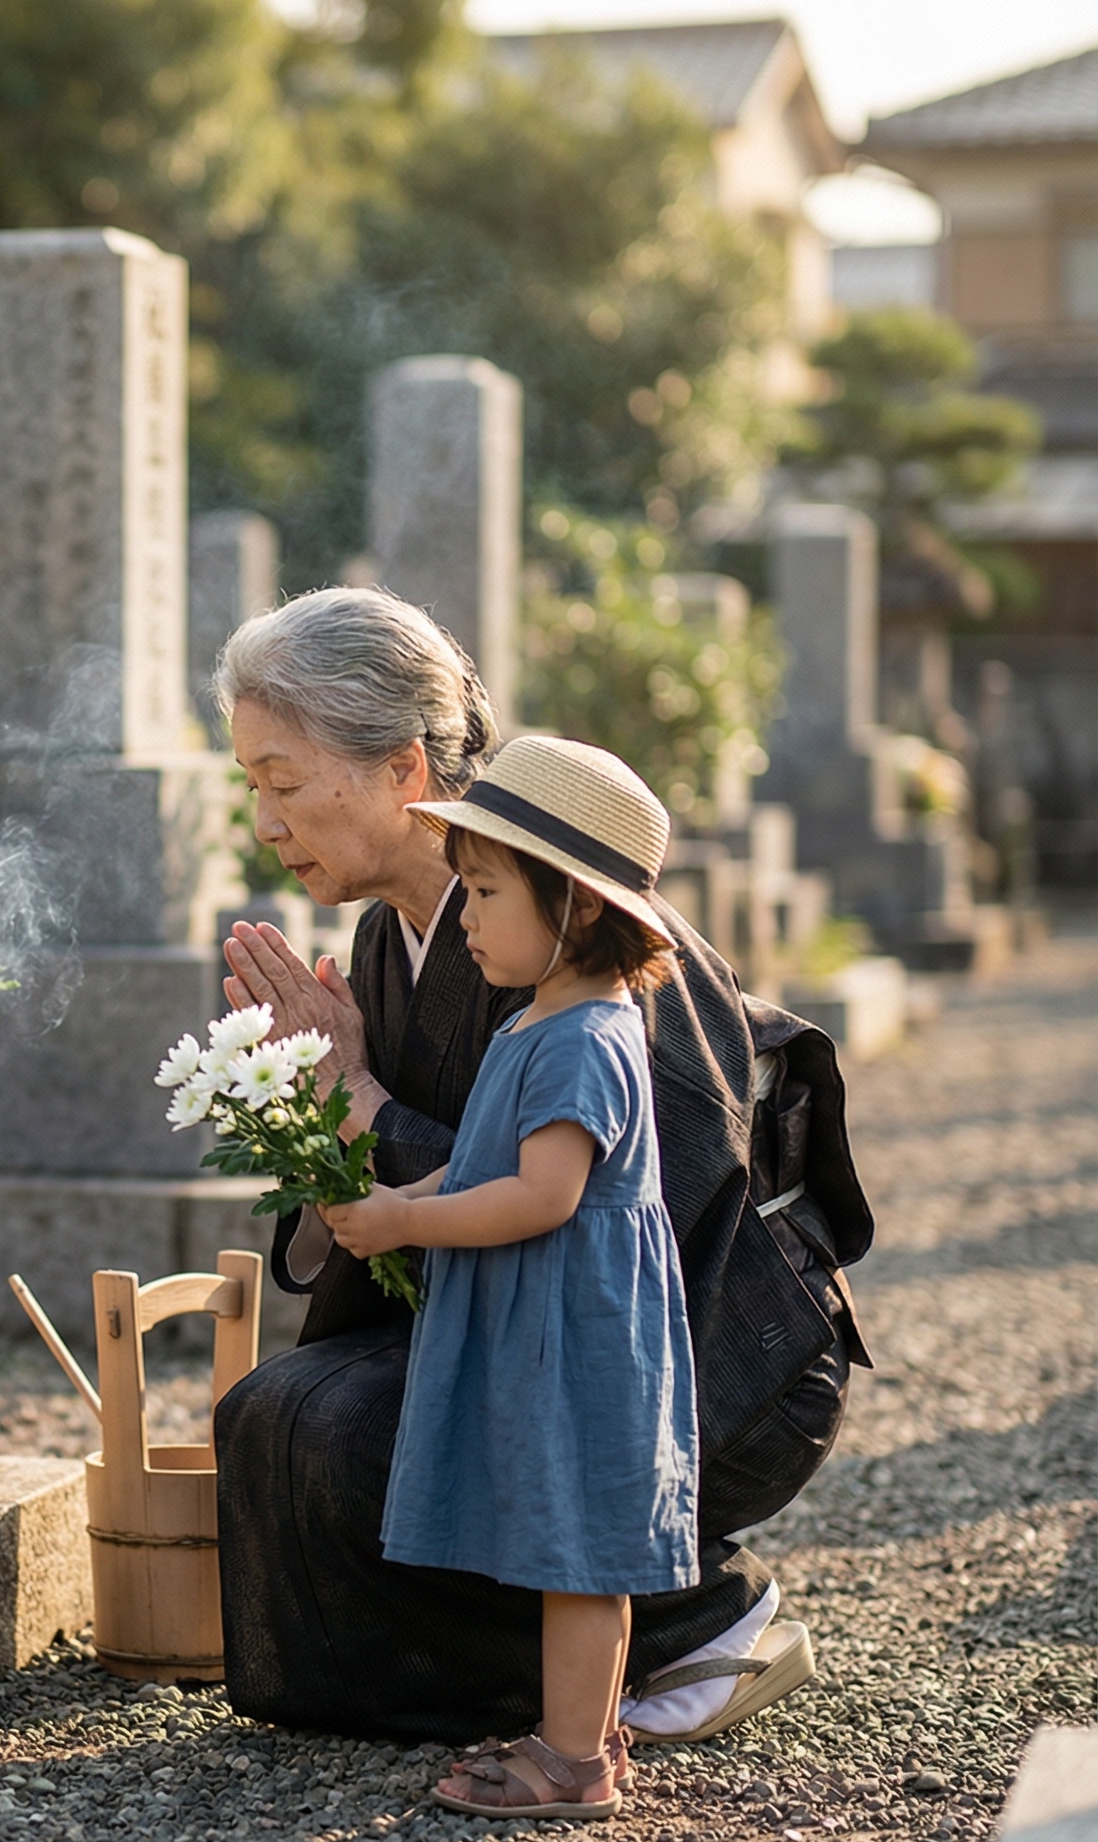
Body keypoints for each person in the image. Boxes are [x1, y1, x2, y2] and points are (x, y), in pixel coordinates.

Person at [211, 586, 872, 1747]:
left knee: (350, 1439)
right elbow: (392, 1184)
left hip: (699, 1353)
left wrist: (361, 1108)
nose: (263, 822)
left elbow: (606, 1210)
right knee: (273, 1415)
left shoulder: (582, 934)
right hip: (528, 1320)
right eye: (252, 786)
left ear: (401, 766)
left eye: (280, 779)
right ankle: (543, 1676)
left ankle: (689, 1622)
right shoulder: (389, 937)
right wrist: (314, 1134)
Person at [318, 735, 694, 1818]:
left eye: (483, 892)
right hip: (553, 1319)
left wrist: (405, 1217)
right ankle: (579, 1734)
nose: (465, 916)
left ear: (573, 909)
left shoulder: (584, 1038)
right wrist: (395, 1193)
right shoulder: (537, 1019)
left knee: (578, 1548)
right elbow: (485, 1158)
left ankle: (573, 1762)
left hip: (580, 1326)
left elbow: (542, 1194)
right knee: (563, 1537)